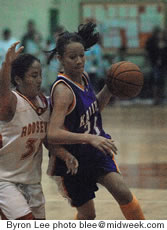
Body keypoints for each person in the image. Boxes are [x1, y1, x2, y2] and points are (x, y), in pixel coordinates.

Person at [46, 22, 145, 220]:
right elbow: (53, 133)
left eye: (82, 55)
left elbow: (93, 110)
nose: (79, 61)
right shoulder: (63, 90)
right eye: (72, 57)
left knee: (123, 193)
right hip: (72, 158)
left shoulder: (83, 77)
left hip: (96, 152)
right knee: (87, 215)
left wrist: (108, 89)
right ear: (60, 59)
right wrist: (89, 138)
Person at [0, 41, 50, 220]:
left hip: (32, 182)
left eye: (40, 75)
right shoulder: (12, 102)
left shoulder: (46, 104)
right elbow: (2, 91)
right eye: (33, 75)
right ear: (18, 80)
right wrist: (6, 66)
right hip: (5, 181)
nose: (39, 80)